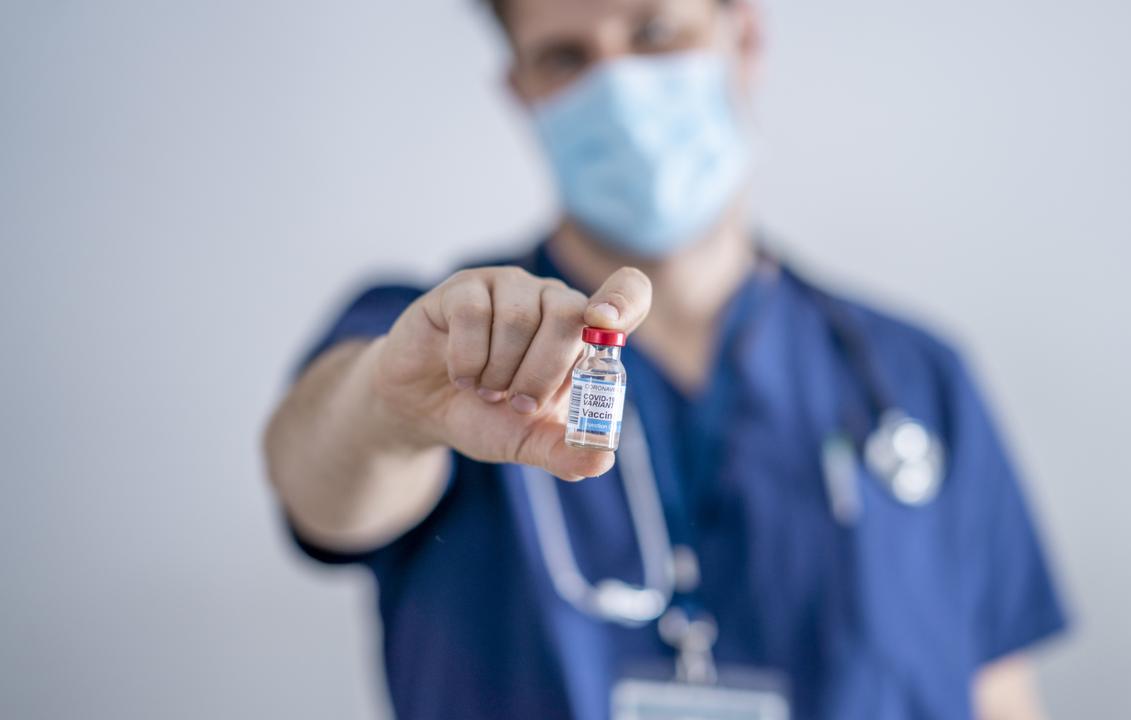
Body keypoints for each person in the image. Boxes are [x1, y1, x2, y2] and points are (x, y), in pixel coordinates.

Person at [263, 0, 1068, 717]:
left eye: (655, 31)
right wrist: (386, 406)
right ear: (522, 93)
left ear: (743, 36)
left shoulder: (916, 379)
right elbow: (315, 479)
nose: (619, 87)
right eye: (565, 58)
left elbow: (997, 693)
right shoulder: (445, 346)